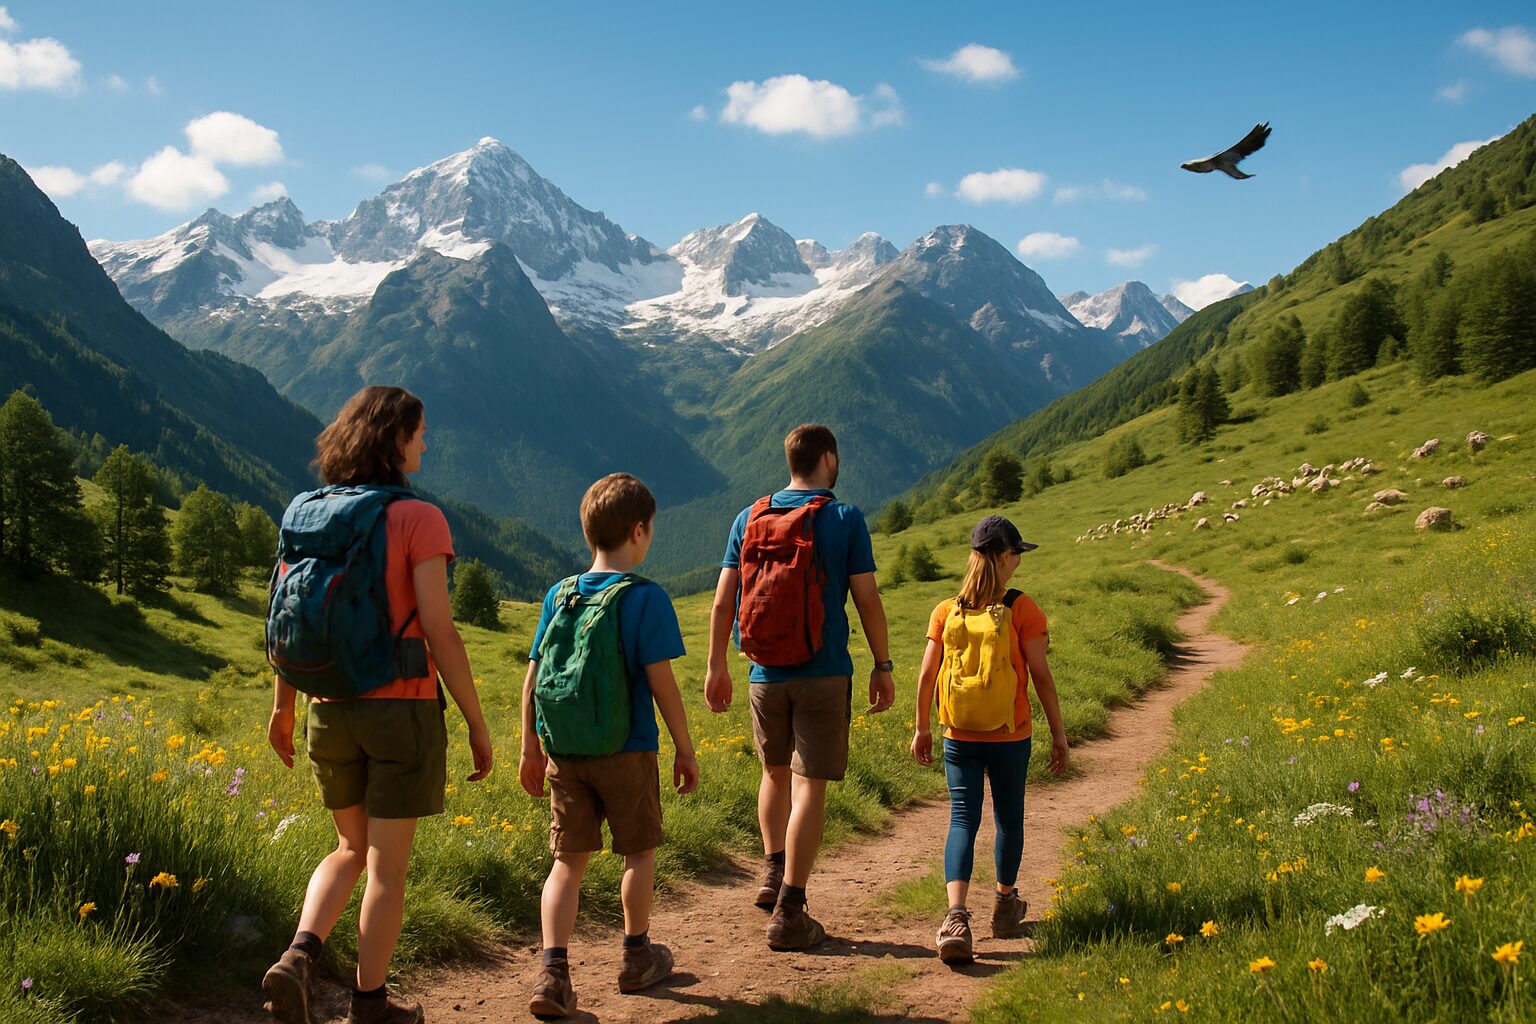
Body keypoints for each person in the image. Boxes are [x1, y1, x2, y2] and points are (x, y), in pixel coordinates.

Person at [263, 386, 495, 1024]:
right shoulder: (418, 518)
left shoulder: (304, 513)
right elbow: (439, 629)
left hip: (326, 705)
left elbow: (288, 616)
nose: (426, 443)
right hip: (400, 708)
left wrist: (284, 706)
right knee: (387, 871)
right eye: (420, 433)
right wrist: (476, 723)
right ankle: (370, 1004)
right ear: (395, 439)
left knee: (348, 847)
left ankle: (299, 958)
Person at [704, 424, 895, 951]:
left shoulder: (749, 517)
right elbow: (868, 599)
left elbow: (723, 601)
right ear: (828, 457)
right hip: (824, 671)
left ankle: (772, 872)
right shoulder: (845, 517)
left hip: (763, 672)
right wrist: (882, 664)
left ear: (791, 461)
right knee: (809, 784)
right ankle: (790, 908)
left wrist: (717, 665)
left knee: (774, 772)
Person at [519, 473, 700, 1019]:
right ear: (639, 531)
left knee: (566, 863)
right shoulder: (645, 597)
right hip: (628, 748)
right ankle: (637, 956)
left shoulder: (559, 594)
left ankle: (553, 974)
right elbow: (662, 683)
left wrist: (530, 748)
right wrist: (684, 748)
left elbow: (532, 680)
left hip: (564, 753)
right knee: (638, 853)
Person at [910, 514, 1069, 965]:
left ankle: (956, 917)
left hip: (958, 733)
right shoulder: (1023, 609)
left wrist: (923, 728)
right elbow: (1042, 677)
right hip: (1010, 734)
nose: (1019, 561)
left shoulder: (947, 610)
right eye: (1016, 553)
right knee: (1009, 819)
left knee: (963, 819)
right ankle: (1004, 904)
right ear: (1001, 557)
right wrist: (1059, 735)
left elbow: (926, 676)